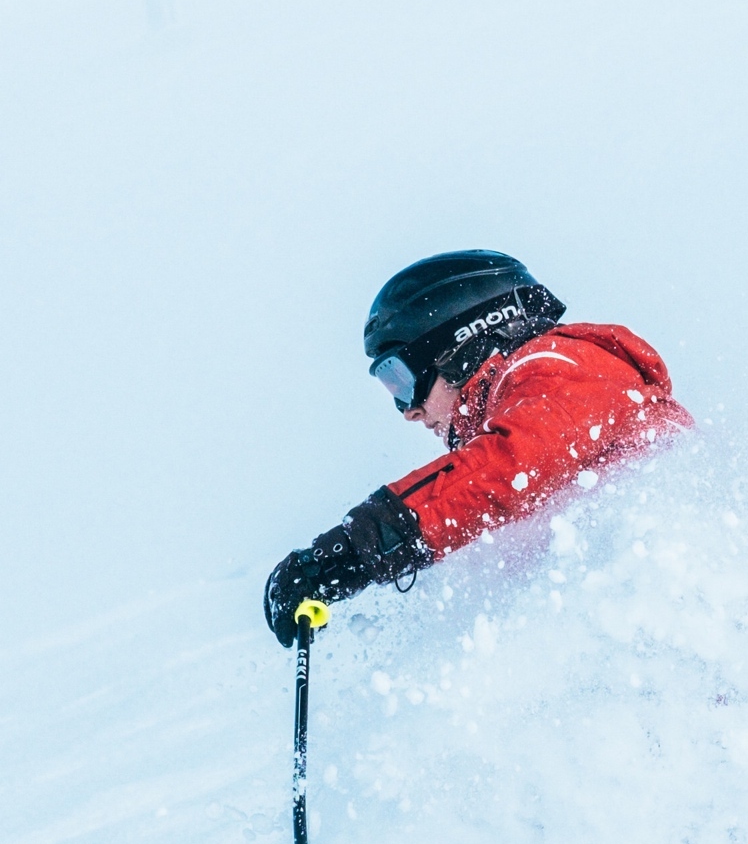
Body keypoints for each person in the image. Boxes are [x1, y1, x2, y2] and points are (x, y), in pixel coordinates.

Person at [263, 251, 694, 645]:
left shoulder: (559, 365)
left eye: (401, 379)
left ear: (460, 344)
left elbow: (511, 466)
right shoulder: (532, 392)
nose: (406, 411)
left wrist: (355, 551)